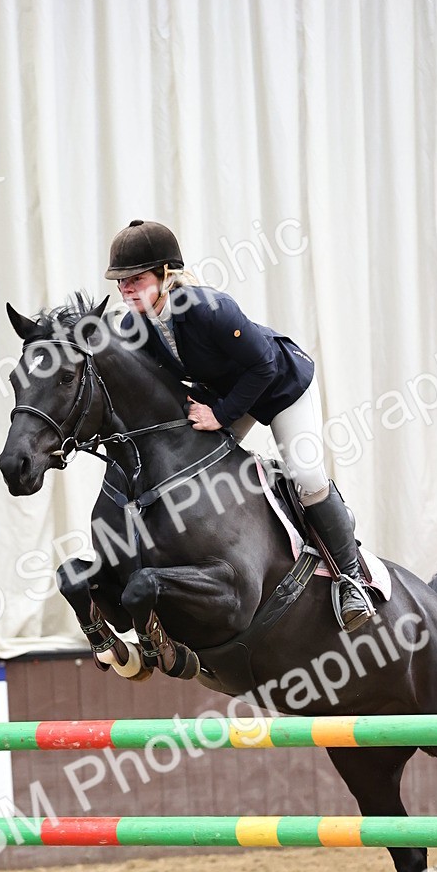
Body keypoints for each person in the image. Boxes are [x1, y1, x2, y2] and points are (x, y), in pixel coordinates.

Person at [104, 218, 375, 632]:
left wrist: (222, 415)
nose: (126, 289)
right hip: (227, 392)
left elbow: (262, 366)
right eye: (120, 282)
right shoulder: (133, 326)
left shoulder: (207, 307)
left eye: (135, 279)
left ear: (164, 274)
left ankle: (352, 578)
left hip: (280, 383)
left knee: (306, 473)